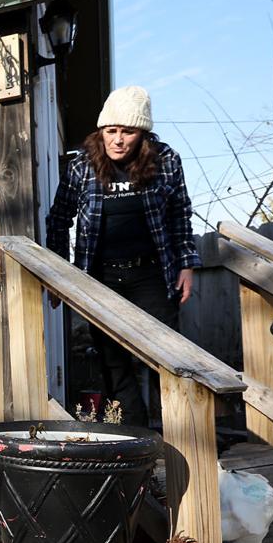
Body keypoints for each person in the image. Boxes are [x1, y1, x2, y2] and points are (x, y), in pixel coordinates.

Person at [45, 85, 201, 427]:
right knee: (113, 365)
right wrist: (57, 275)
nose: (117, 140)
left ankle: (181, 435)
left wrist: (187, 263)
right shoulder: (81, 166)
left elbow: (179, 213)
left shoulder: (166, 160)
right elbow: (58, 219)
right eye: (110, 131)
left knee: (169, 358)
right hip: (100, 278)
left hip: (152, 276)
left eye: (127, 132)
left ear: (141, 134)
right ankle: (138, 440)